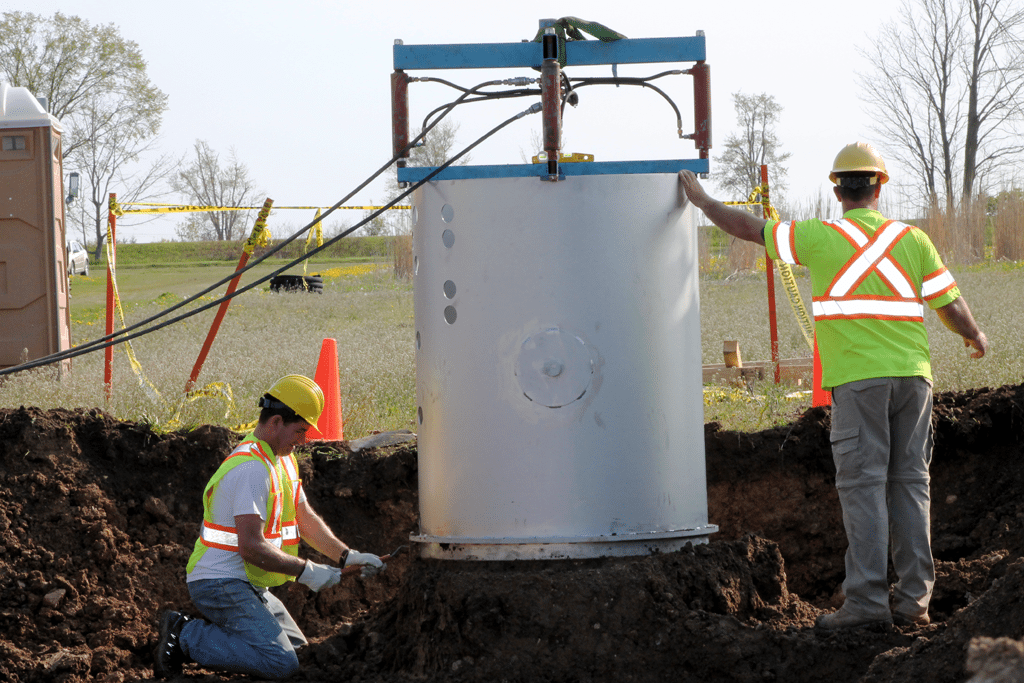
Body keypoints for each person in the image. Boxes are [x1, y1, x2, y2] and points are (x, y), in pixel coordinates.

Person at [679, 142, 988, 631]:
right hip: (915, 380)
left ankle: (866, 604)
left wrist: (703, 201)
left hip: (858, 383)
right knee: (911, 487)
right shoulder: (914, 240)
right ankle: (914, 604)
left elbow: (748, 228)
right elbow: (949, 303)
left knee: (863, 488)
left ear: (837, 188)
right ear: (879, 186)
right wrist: (973, 334)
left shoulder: (818, 237)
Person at [154, 374, 386, 679]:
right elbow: (251, 546)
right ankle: (184, 635)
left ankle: (225, 642)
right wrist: (307, 571)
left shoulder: (282, 461)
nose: (304, 440)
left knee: (298, 654)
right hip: (219, 583)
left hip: (248, 583)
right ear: (276, 422)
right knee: (280, 663)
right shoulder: (251, 469)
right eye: (300, 431)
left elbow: (305, 520)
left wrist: (346, 556)